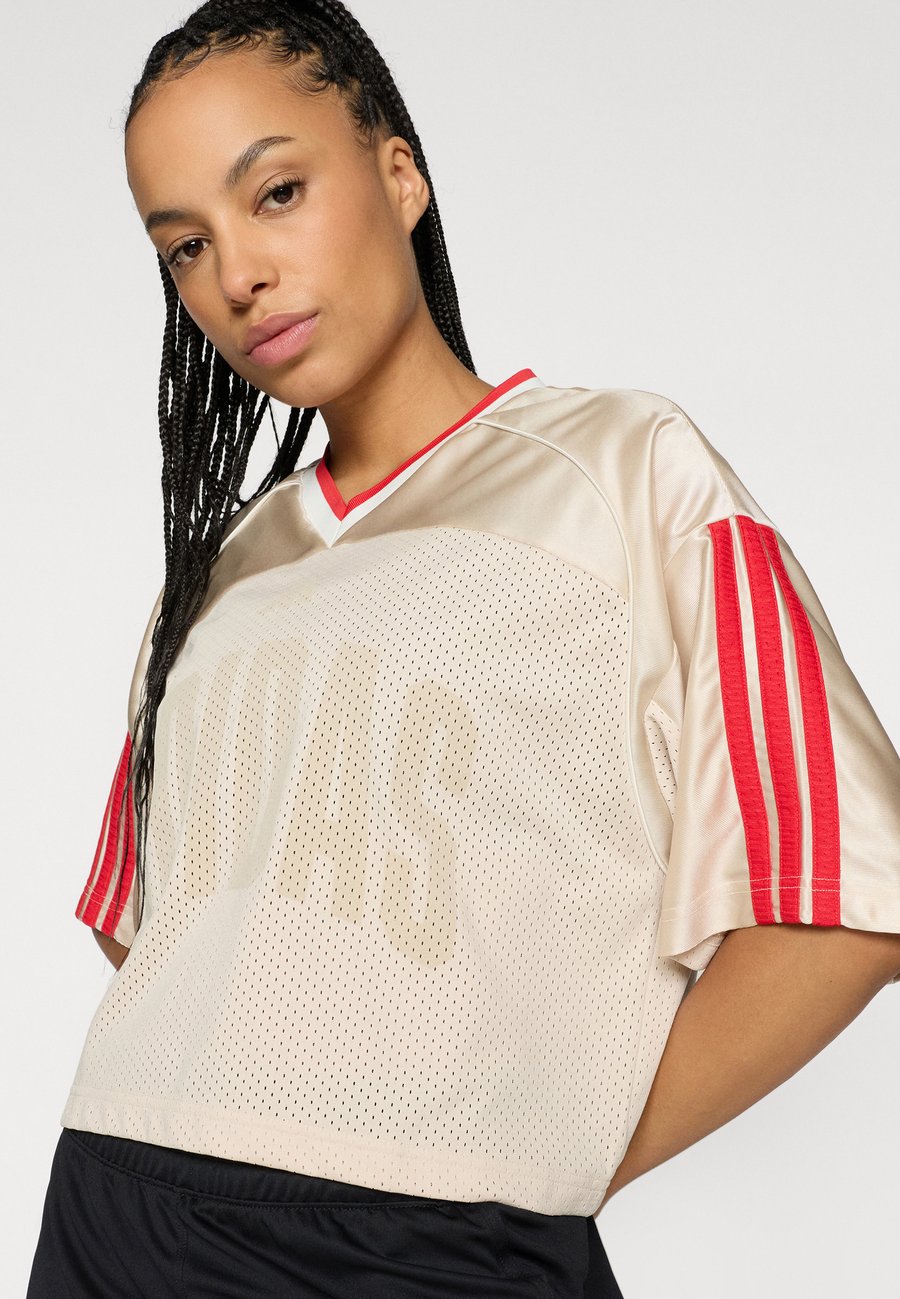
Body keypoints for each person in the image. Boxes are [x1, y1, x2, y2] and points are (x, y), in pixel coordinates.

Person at [27, 1, 900, 1296]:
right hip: (115, 1212)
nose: (237, 275)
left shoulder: (626, 473)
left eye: (276, 192)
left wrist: (549, 1156)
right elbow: (151, 923)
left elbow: (849, 896)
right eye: (186, 247)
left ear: (399, 175)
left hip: (431, 1244)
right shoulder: (218, 571)